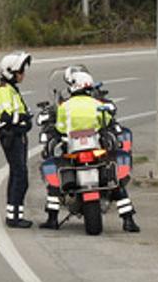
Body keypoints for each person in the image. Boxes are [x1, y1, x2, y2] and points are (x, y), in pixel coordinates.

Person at [39, 67, 141, 233]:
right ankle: (128, 220)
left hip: (74, 151)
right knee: (115, 182)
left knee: (55, 182)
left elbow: (60, 127)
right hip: (95, 150)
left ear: (74, 86)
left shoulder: (65, 106)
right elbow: (106, 122)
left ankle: (52, 218)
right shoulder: (97, 104)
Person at [0, 52, 33, 228]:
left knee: (18, 174)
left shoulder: (12, 90)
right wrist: (23, 118)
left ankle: (14, 214)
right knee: (20, 175)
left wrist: (25, 119)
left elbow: (22, 116)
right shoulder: (2, 92)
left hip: (18, 136)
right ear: (10, 72)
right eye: (20, 71)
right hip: (11, 137)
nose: (23, 74)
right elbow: (7, 117)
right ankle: (14, 217)